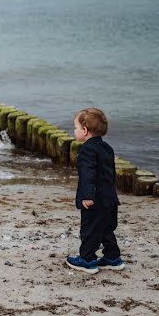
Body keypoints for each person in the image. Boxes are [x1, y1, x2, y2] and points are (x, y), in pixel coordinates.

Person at [66, 108, 124, 274]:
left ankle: (87, 259)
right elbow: (109, 174)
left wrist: (87, 195)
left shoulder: (86, 150)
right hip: (109, 198)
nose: (74, 131)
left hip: (94, 199)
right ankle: (113, 257)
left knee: (89, 229)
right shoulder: (107, 148)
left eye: (75, 128)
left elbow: (88, 174)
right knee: (106, 228)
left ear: (85, 130)